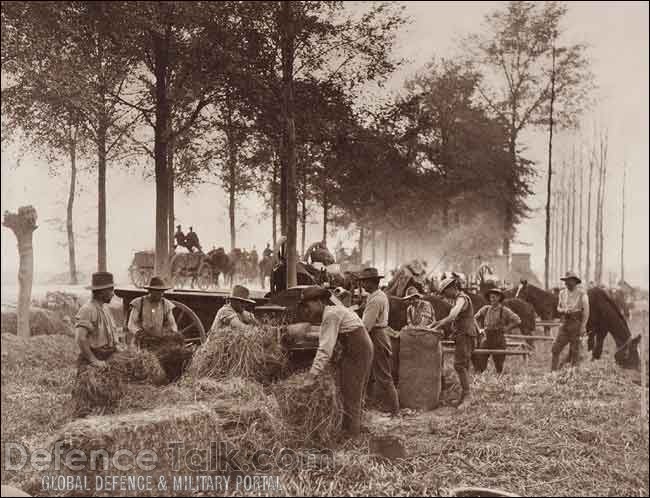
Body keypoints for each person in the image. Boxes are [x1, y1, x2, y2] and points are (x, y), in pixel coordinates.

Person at [301, 286, 373, 438]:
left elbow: (325, 349)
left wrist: (311, 376)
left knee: (351, 391)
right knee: (355, 390)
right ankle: (355, 427)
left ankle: (352, 436)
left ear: (319, 302)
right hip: (361, 346)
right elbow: (326, 336)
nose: (307, 311)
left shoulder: (330, 315)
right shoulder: (333, 311)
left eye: (308, 306)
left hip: (357, 349)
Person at [73, 272, 120, 416]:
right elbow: (81, 338)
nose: (113, 294)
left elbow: (110, 333)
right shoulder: (88, 309)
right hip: (94, 359)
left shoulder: (105, 309)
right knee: (89, 403)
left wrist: (117, 347)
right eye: (110, 290)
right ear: (100, 292)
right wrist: (94, 361)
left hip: (107, 357)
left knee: (109, 401)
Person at [127, 276, 189, 382]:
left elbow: (173, 324)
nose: (161, 294)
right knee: (140, 366)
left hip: (158, 341)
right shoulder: (139, 303)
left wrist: (173, 334)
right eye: (157, 292)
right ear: (150, 291)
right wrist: (139, 333)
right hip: (141, 343)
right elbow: (131, 324)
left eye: (162, 291)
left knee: (168, 358)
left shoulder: (166, 304)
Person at [358, 267, 400, 415]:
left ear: (372, 282)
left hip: (377, 336)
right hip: (380, 334)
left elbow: (366, 326)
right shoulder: (378, 295)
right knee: (373, 373)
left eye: (364, 281)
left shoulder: (375, 300)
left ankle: (395, 410)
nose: (362, 284)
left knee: (383, 374)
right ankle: (373, 403)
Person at [431, 276, 476, 407]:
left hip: (466, 335)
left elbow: (452, 316)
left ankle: (467, 396)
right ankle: (464, 395)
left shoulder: (462, 299)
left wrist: (438, 325)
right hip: (462, 335)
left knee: (459, 365)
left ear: (452, 288)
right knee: (464, 365)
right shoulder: (457, 299)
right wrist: (435, 324)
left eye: (445, 293)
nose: (445, 296)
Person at [474, 288, 521, 374]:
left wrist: (507, 328)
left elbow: (517, 320)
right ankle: (481, 378)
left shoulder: (504, 310)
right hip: (487, 337)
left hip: (498, 338)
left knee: (499, 364)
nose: (492, 299)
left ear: (499, 298)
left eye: (494, 297)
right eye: (491, 298)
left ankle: (499, 379)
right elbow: (474, 318)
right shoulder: (486, 309)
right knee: (481, 359)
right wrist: (479, 329)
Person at [552, 271, 589, 371]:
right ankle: (553, 372)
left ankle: (573, 374)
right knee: (555, 349)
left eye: (569, 281)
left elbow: (586, 312)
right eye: (565, 281)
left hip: (576, 323)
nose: (566, 283)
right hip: (565, 323)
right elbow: (558, 308)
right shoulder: (562, 293)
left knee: (574, 352)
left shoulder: (582, 294)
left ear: (575, 282)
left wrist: (583, 326)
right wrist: (563, 310)